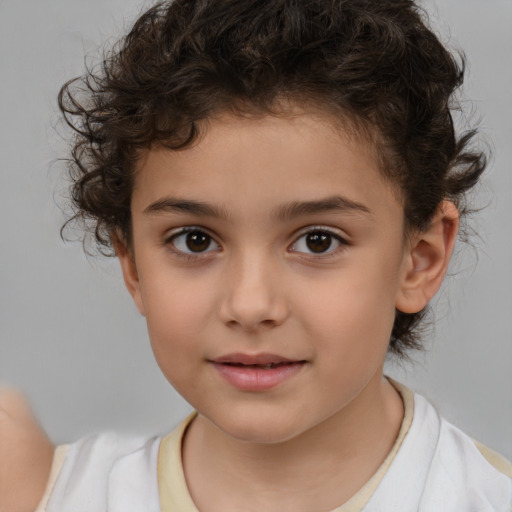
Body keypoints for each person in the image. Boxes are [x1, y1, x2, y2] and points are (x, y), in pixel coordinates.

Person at [1, 0, 511, 510]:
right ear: (132, 263)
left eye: (318, 240)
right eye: (195, 240)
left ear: (419, 259)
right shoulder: (56, 495)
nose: (249, 305)